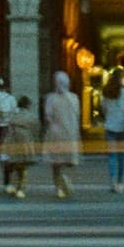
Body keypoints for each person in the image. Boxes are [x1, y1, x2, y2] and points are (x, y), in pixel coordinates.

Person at [40, 70, 81, 199]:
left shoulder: (50, 98)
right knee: (68, 161)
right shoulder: (74, 98)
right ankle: (63, 182)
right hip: (70, 133)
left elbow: (47, 116)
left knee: (56, 163)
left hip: (55, 132)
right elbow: (77, 115)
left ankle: (59, 186)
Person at [100, 66, 124, 193]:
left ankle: (112, 182)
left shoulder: (106, 92)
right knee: (122, 156)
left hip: (110, 126)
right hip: (123, 127)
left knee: (112, 156)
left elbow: (103, 108)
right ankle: (120, 182)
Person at [0, 94, 40, 198]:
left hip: (12, 142)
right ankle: (20, 188)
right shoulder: (31, 116)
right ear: (28, 105)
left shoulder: (12, 115)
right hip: (25, 142)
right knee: (22, 166)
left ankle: (11, 185)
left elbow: (6, 128)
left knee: (12, 164)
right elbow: (36, 130)